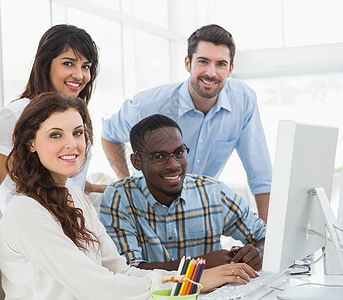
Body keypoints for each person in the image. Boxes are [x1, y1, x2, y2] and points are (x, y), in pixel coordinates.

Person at [0, 92, 258, 299]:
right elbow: (99, 289)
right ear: (30, 143)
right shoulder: (25, 212)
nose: (72, 144)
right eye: (55, 135)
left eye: (78, 132)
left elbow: (120, 271)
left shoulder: (74, 198)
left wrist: (191, 280)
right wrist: (196, 279)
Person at [101, 24, 272, 222]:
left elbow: (261, 177)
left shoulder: (243, 100)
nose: (211, 72)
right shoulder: (150, 105)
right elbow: (109, 135)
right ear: (187, 63)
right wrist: (127, 184)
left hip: (201, 213)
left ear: (230, 69)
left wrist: (268, 239)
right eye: (203, 61)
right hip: (150, 213)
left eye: (221, 64)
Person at [0, 24, 106, 229]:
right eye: (68, 63)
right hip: (35, 226)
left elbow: (68, 180)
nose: (79, 75)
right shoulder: (14, 115)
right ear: (45, 64)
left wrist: (95, 188)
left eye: (86, 66)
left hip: (75, 227)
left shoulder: (77, 114)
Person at [100, 114, 266, 272]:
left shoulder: (213, 192)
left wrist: (257, 253)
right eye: (160, 156)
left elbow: (267, 237)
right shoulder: (120, 197)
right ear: (137, 162)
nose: (173, 165)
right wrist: (198, 265)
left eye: (179, 152)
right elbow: (125, 271)